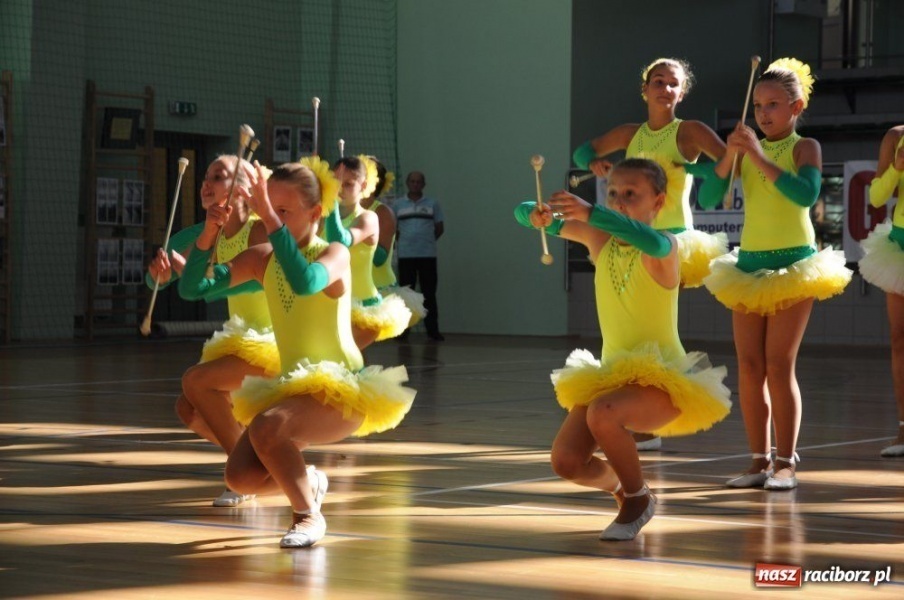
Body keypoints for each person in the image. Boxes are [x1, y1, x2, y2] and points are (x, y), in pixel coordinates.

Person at [179, 157, 416, 548]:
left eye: (284, 210)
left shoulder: (335, 255)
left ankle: (307, 516)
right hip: (292, 392)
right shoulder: (262, 261)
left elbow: (305, 282)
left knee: (268, 426)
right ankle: (310, 481)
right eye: (268, 207)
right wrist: (208, 232)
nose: (273, 217)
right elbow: (193, 289)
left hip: (340, 390)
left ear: (315, 212)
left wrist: (268, 219)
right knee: (239, 477)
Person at [514, 158, 731, 541]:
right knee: (566, 462)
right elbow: (522, 212)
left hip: (663, 383)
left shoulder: (664, 247)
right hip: (613, 377)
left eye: (631, 194)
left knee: (604, 412)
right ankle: (620, 483)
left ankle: (636, 499)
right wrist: (538, 215)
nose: (619, 201)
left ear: (659, 201)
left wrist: (592, 212)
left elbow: (645, 237)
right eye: (613, 194)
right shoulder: (600, 240)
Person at [695, 58, 852, 490]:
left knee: (779, 364)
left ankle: (786, 462)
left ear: (796, 107)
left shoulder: (806, 147)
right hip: (748, 266)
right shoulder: (745, 152)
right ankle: (757, 460)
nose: (763, 113)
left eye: (774, 105)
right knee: (749, 367)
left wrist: (758, 155)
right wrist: (730, 156)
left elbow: (805, 194)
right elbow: (709, 195)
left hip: (795, 266)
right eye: (759, 105)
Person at [572, 58, 727, 452]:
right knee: (632, 318)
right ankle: (639, 415)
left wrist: (692, 171)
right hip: (627, 237)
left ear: (681, 92)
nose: (664, 88)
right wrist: (593, 161)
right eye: (657, 81)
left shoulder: (690, 131)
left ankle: (654, 407)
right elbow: (582, 152)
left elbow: (727, 164)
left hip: (670, 239)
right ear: (645, 90)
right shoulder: (630, 133)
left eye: (672, 83)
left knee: (658, 321)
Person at [146, 155, 278, 508]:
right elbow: (158, 276)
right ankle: (255, 467)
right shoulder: (201, 232)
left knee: (196, 381)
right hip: (239, 342)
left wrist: (207, 280)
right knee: (188, 410)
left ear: (242, 190)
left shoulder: (260, 230)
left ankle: (254, 474)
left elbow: (254, 284)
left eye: (218, 177)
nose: (206, 183)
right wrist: (158, 275)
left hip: (275, 343)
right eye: (206, 176)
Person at [325, 156, 411, 348]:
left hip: (362, 309)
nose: (339, 189)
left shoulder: (369, 217)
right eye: (335, 183)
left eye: (348, 184)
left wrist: (329, 201)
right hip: (331, 304)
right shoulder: (323, 218)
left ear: (363, 185)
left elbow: (339, 240)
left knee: (342, 360)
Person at [858, 125, 904, 457]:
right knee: (899, 340)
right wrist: (897, 168)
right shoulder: (895, 136)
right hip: (900, 245)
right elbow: (876, 197)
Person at [360, 157, 427, 327]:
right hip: (352, 286)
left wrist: (355, 236)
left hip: (376, 289)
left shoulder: (382, 212)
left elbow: (379, 258)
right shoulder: (342, 211)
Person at [393, 171, 445, 341]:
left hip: (427, 256)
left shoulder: (433, 204)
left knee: (429, 294)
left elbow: (439, 228)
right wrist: (406, 243)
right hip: (406, 256)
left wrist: (425, 242)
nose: (415, 184)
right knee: (406, 295)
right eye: (412, 181)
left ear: (423, 184)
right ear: (408, 183)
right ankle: (403, 332)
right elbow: (394, 229)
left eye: (419, 182)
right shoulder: (398, 205)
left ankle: (433, 331)